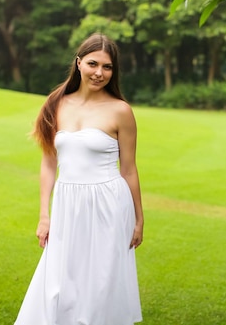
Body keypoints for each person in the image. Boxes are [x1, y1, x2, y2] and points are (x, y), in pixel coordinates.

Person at [14, 33, 143, 325]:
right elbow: (49, 162)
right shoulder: (56, 104)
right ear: (78, 63)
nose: (99, 73)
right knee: (59, 281)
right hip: (67, 203)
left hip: (109, 205)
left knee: (100, 283)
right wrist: (44, 215)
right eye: (93, 63)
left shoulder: (121, 111)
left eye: (107, 67)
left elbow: (129, 169)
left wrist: (138, 219)